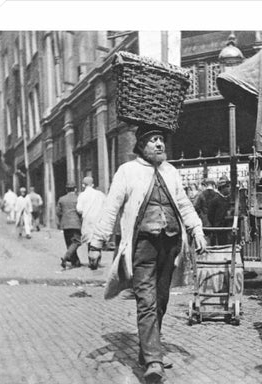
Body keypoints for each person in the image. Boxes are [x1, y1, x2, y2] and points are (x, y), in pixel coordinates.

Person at [88, 125, 207, 382]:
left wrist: (196, 229)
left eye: (161, 139)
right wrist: (96, 243)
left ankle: (146, 349)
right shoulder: (127, 171)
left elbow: (184, 204)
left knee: (162, 299)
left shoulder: (171, 171)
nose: (159, 144)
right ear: (141, 146)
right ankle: (154, 360)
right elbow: (111, 208)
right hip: (142, 246)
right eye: (153, 140)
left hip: (170, 245)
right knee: (146, 301)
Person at [76, 176, 106, 269]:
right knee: (98, 238)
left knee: (89, 239)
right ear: (92, 184)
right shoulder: (100, 194)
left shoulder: (82, 195)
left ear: (83, 185)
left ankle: (91, 260)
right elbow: (106, 205)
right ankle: (98, 258)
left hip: (88, 220)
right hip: (99, 219)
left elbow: (79, 209)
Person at [56, 182, 82, 268]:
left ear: (66, 189)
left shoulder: (61, 199)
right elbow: (81, 211)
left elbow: (58, 212)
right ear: (75, 189)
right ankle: (67, 256)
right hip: (76, 223)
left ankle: (75, 262)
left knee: (69, 243)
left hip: (65, 224)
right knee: (77, 241)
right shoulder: (78, 198)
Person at [207, 177, 231, 244]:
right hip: (218, 230)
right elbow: (210, 215)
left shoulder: (226, 199)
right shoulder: (215, 200)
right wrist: (216, 224)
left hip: (225, 229)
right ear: (222, 188)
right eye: (228, 187)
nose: (230, 188)